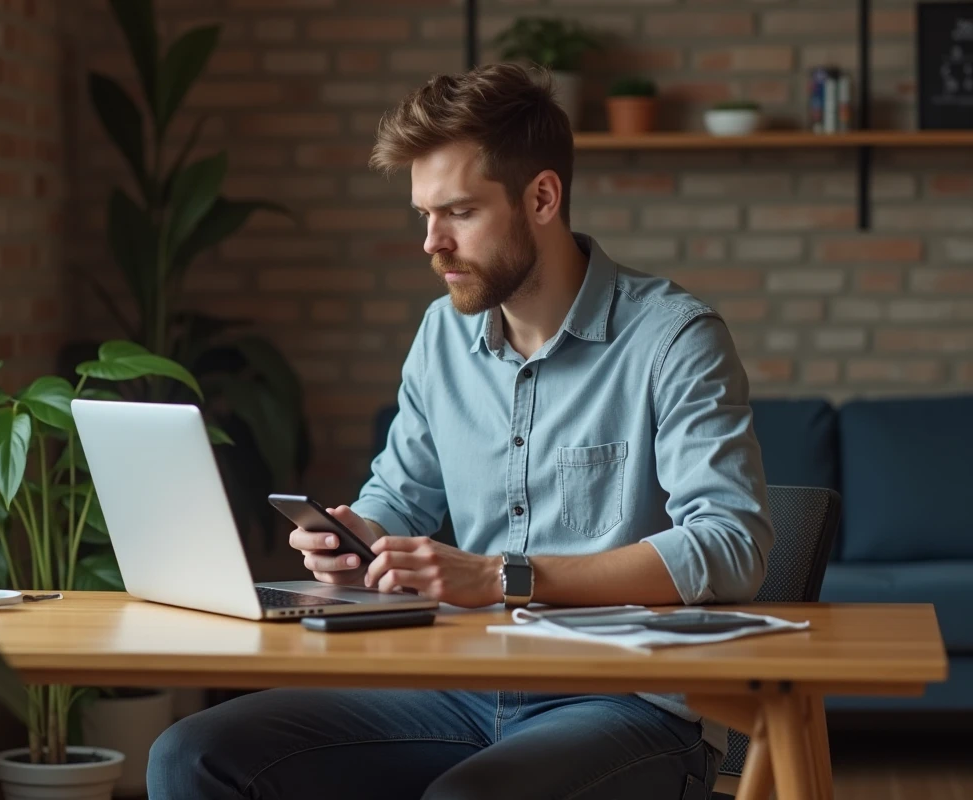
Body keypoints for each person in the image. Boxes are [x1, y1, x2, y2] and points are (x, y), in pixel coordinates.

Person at [147, 62, 774, 800]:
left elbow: (732, 544)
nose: (430, 243)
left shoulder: (674, 338)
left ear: (542, 197)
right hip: (463, 685)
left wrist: (504, 577)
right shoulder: (443, 335)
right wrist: (353, 541)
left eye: (459, 213)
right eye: (423, 214)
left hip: (626, 704)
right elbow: (399, 500)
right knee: (191, 754)